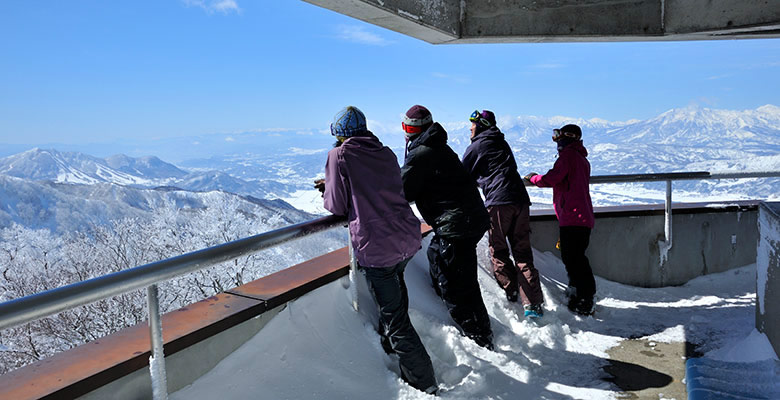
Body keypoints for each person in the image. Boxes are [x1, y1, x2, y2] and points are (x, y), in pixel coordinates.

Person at [321, 106, 438, 394]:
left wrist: (328, 188)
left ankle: (426, 385)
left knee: (397, 323)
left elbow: (335, 205)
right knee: (396, 305)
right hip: (405, 239)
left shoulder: (340, 155)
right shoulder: (385, 152)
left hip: (378, 247)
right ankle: (394, 354)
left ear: (339, 134)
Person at [399, 104, 494, 350]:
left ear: (410, 129)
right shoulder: (438, 146)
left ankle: (479, 338)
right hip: (466, 220)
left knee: (457, 284)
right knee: (440, 258)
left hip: (457, 225)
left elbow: (403, 190)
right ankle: (474, 326)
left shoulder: (422, 153)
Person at [462, 110, 545, 318]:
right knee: (522, 251)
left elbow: (464, 177)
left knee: (498, 248)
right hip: (520, 199)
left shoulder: (477, 146)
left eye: (472, 124)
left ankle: (511, 290)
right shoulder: (501, 142)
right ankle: (533, 304)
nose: (470, 128)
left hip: (499, 202)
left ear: (480, 125)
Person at [525, 124, 596, 316]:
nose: (557, 141)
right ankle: (580, 294)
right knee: (575, 258)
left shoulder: (569, 156)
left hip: (574, 217)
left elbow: (551, 178)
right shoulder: (580, 158)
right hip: (580, 216)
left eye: (558, 137)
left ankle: (585, 299)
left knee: (574, 259)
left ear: (567, 138)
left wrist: (533, 178)